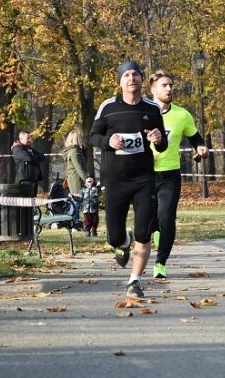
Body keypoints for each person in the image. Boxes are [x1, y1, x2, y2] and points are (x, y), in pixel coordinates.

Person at [90, 61, 167, 298]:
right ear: (120, 81)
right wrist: (108, 142)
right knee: (114, 236)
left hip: (144, 179)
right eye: (127, 75)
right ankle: (124, 243)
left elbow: (162, 143)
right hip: (115, 180)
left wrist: (158, 138)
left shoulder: (152, 108)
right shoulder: (108, 107)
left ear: (142, 80)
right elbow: (93, 135)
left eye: (135, 74)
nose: (131, 78)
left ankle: (135, 280)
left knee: (144, 231)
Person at [148, 70, 209, 278]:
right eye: (164, 85)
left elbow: (195, 138)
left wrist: (201, 148)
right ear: (153, 89)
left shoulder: (182, 114)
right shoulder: (142, 113)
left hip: (170, 175)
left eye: (170, 85)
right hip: (145, 175)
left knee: (166, 218)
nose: (169, 89)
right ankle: (156, 232)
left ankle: (160, 263)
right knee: (149, 221)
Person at [62, 128, 88, 228]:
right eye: (81, 138)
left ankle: (72, 221)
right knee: (76, 202)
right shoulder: (74, 152)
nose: (82, 139)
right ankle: (73, 222)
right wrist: (87, 179)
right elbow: (79, 168)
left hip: (73, 179)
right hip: (76, 180)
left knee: (75, 202)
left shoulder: (73, 151)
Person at [11, 129, 46, 197]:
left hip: (34, 178)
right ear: (21, 138)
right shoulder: (17, 149)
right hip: (25, 178)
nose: (30, 140)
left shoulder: (29, 148)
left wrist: (33, 157)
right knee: (26, 201)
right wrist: (35, 157)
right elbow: (28, 158)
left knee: (32, 200)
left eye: (30, 137)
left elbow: (42, 157)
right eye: (28, 138)